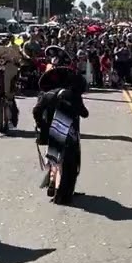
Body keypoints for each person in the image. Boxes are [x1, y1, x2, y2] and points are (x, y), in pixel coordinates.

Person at [33, 65, 89, 200]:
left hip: (52, 134)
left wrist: (42, 125)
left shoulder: (47, 95)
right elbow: (85, 113)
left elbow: (36, 111)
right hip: (70, 135)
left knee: (53, 159)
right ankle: (64, 194)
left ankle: (52, 181)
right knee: (70, 165)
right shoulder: (73, 95)